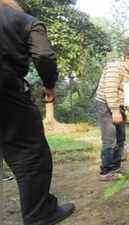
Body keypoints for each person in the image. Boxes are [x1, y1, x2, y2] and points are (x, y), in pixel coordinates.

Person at [0, 1, 75, 224]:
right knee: (30, 151)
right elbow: (43, 55)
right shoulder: (24, 20)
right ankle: (40, 214)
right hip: (6, 89)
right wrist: (49, 85)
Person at [95, 49, 129, 181]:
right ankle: (105, 172)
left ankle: (116, 167)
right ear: (128, 57)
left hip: (118, 106)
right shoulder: (115, 68)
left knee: (121, 138)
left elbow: (125, 95)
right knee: (110, 139)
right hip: (105, 105)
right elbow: (110, 90)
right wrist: (115, 111)